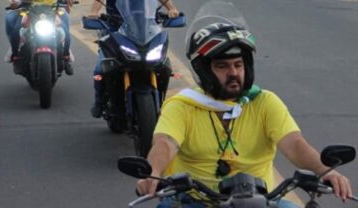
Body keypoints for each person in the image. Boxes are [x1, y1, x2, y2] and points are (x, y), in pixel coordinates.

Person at [135, 21, 353, 206]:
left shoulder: (265, 102)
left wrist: (325, 170)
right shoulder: (182, 106)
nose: (233, 73)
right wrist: (153, 172)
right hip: (195, 200)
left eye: (238, 65)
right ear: (204, 71)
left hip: (262, 200)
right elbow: (165, 143)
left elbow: (294, 144)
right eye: (222, 66)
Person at [88, 0, 179, 118]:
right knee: (100, 68)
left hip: (142, 28)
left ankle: (160, 101)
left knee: (164, 65)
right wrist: (94, 12)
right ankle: (99, 102)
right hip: (114, 30)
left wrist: (171, 9)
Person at [6, 0, 76, 75]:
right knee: (16, 30)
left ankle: (66, 58)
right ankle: (16, 58)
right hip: (28, 10)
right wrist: (14, 2)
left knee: (65, 31)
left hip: (50, 10)